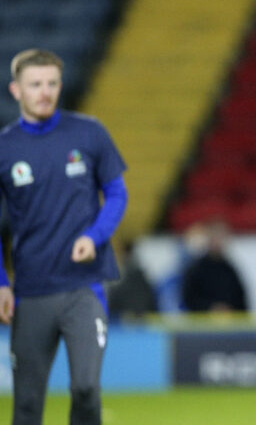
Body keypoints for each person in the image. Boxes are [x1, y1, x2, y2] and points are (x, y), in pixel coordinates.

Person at [0, 49, 128, 425]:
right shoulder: (5, 148)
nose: (45, 91)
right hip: (32, 290)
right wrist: (2, 282)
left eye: (52, 83)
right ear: (16, 90)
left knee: (87, 389)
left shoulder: (88, 132)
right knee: (26, 404)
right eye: (35, 84)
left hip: (84, 287)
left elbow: (117, 193)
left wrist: (96, 235)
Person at [181, 220, 247, 313]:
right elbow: (189, 299)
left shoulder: (230, 270)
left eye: (222, 237)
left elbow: (241, 301)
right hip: (201, 323)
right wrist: (210, 308)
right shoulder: (196, 269)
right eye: (215, 236)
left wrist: (228, 310)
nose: (218, 241)